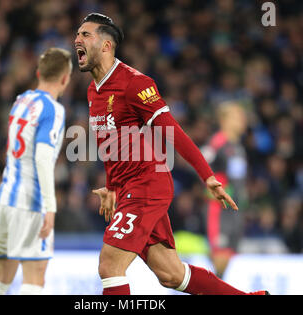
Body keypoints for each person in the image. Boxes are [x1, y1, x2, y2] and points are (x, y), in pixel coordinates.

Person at [75, 13, 268, 295]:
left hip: (146, 185)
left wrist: (208, 176)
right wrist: (112, 186)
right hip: (128, 187)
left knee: (109, 265)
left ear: (106, 45)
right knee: (170, 274)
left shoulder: (134, 83)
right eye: (77, 34)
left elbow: (173, 132)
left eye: (85, 35)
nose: (77, 39)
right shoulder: (94, 91)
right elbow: (111, 146)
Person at [0, 48, 72, 295]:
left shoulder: (21, 100)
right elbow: (42, 160)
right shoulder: (53, 109)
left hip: (5, 200)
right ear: (65, 79)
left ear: (38, 72)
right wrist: (50, 208)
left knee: (0, 277)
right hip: (30, 204)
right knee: (34, 279)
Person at [201, 102, 248, 278]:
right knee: (220, 255)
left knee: (227, 256)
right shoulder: (218, 142)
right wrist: (212, 189)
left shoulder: (237, 147)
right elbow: (200, 164)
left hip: (235, 211)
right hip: (219, 209)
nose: (242, 121)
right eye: (238, 117)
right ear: (224, 120)